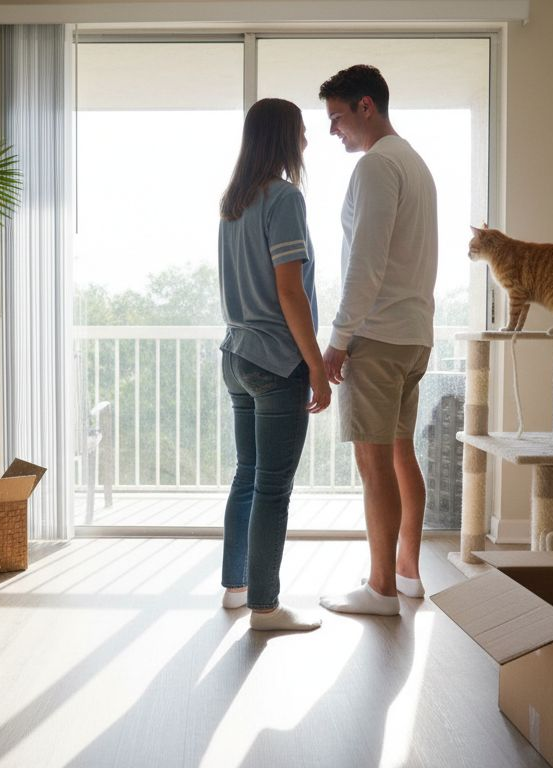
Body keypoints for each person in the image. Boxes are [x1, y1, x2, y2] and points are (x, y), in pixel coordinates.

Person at [316, 65, 438, 617]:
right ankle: (409, 573)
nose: (333, 131)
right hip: (414, 335)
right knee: (398, 451)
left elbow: (365, 265)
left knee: (373, 464)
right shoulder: (415, 163)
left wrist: (338, 341)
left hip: (378, 337)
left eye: (337, 118)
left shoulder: (375, 167)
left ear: (367, 107)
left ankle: (381, 588)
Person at [218, 98, 330, 632]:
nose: (307, 139)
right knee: (272, 488)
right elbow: (290, 292)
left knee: (247, 475)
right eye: (303, 130)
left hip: (236, 354)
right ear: (285, 138)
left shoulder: (234, 202)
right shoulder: (284, 198)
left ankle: (236, 590)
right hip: (274, 361)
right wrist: (315, 364)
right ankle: (266, 606)